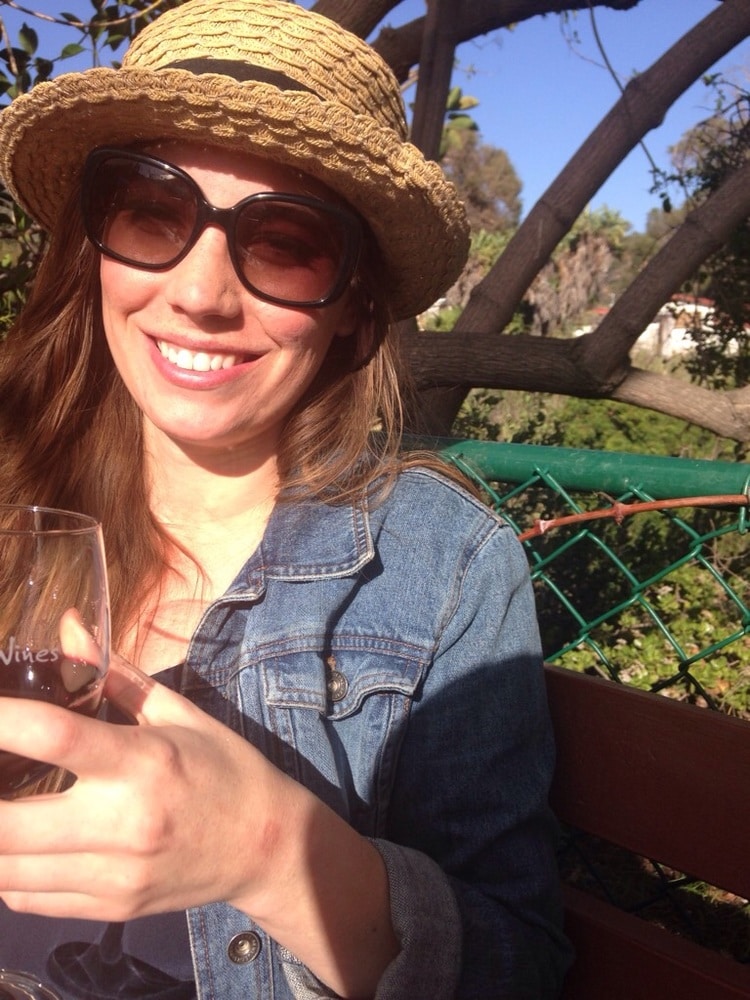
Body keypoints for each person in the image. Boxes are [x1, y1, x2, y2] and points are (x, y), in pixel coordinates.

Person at [0, 0, 571, 997]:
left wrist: (265, 849)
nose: (201, 292)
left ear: (354, 307)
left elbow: (517, 968)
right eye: (152, 209)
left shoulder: (444, 564)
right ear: (93, 245)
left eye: (287, 241)